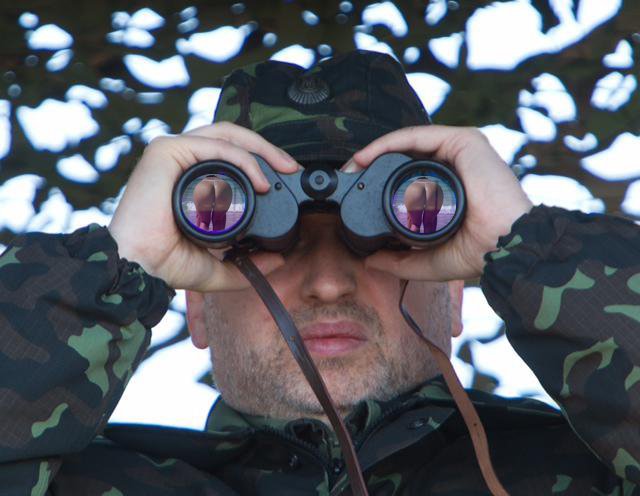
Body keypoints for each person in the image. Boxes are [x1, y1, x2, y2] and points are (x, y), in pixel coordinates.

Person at [0, 50, 638, 495]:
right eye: (264, 247)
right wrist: (118, 268)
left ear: (455, 294)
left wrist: (528, 249)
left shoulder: (592, 469)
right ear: (194, 307)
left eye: (380, 242)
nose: (329, 283)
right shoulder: (79, 481)